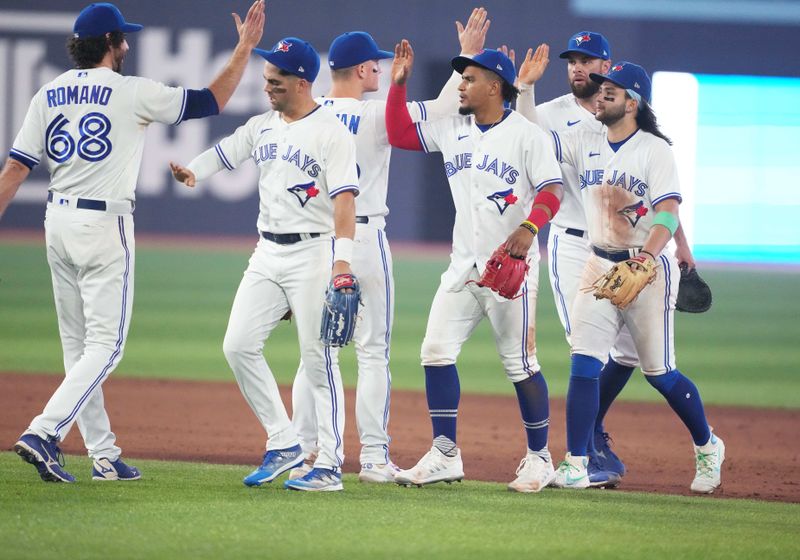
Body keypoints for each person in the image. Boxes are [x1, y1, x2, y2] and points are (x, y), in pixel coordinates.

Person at [0, 1, 265, 483]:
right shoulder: (130, 92)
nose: (128, 45)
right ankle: (44, 432)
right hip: (104, 225)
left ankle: (103, 455)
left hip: (56, 221)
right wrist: (244, 49)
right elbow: (211, 101)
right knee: (108, 344)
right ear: (108, 44)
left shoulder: (48, 92)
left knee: (77, 345)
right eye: (122, 38)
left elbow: (16, 169)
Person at [289, 9, 490, 485]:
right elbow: (443, 109)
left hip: (318, 242)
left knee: (315, 353)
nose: (381, 69)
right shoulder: (378, 113)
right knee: (372, 351)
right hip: (363, 236)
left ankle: (302, 450)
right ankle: (375, 459)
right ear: (361, 70)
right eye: (375, 64)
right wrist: (467, 56)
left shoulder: (307, 114)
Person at [170, 36, 359, 492]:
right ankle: (284, 441)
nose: (267, 85)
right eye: (266, 78)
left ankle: (330, 465)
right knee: (237, 345)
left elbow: (345, 200)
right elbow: (225, 152)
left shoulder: (330, 132)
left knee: (319, 360)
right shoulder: (263, 125)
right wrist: (193, 171)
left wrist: (342, 263)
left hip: (314, 252)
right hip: (267, 251)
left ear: (301, 81)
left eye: (275, 80)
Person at [513, 32, 698, 487]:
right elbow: (525, 143)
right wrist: (525, 90)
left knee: (632, 357)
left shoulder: (624, 124)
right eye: (571, 60)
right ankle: (587, 451)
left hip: (636, 249)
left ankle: (593, 433)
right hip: (577, 244)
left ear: (607, 67)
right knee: (587, 350)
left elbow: (656, 200)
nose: (578, 67)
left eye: (588, 60)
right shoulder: (554, 114)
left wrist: (679, 242)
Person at [385, 40, 564, 493]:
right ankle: (445, 453)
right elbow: (400, 134)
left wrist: (528, 227)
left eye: (469, 78)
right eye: (462, 77)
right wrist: (398, 87)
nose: (460, 85)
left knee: (520, 364)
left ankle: (540, 459)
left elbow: (551, 191)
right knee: (435, 352)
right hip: (463, 267)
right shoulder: (452, 129)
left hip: (513, 269)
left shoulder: (527, 134)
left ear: (495, 86)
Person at [547, 62, 724, 493]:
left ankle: (708, 445)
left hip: (647, 269)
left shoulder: (653, 150)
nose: (602, 94)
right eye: (602, 88)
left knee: (659, 372)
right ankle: (576, 462)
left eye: (613, 90)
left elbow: (667, 210)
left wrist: (649, 255)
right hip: (598, 265)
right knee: (584, 361)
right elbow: (534, 141)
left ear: (634, 101)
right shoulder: (582, 140)